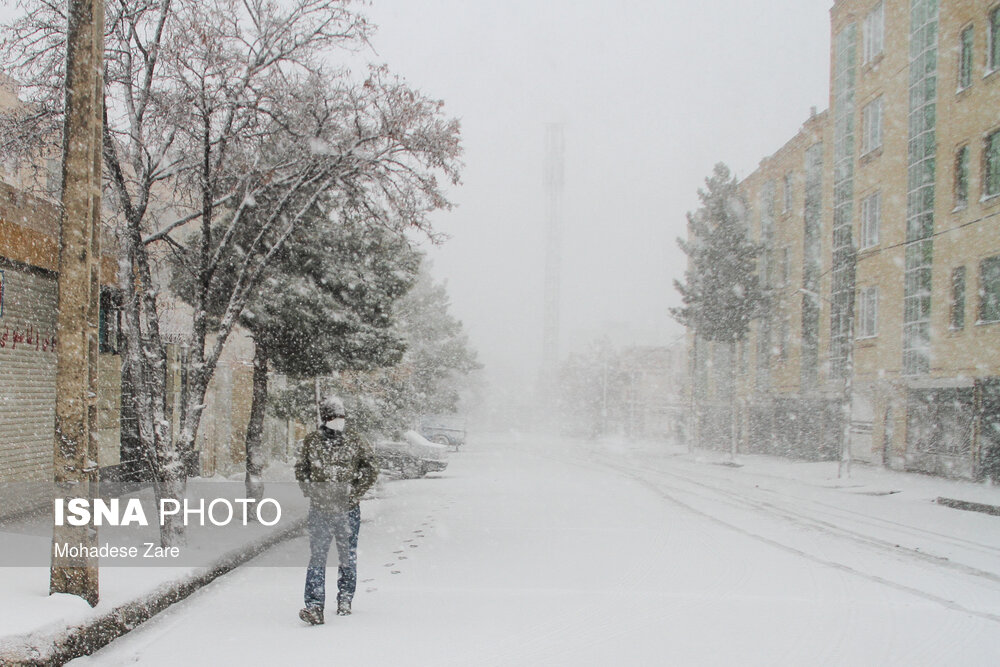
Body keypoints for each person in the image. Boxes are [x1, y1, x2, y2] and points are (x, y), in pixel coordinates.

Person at [295, 395, 379, 625]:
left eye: (341, 416)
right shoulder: (312, 441)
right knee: (318, 557)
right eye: (333, 417)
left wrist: (355, 492)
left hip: (347, 507)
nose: (338, 421)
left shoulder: (354, 440)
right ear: (325, 418)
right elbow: (301, 469)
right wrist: (311, 490)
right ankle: (314, 605)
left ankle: (345, 597)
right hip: (321, 509)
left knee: (347, 555)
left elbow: (371, 468)